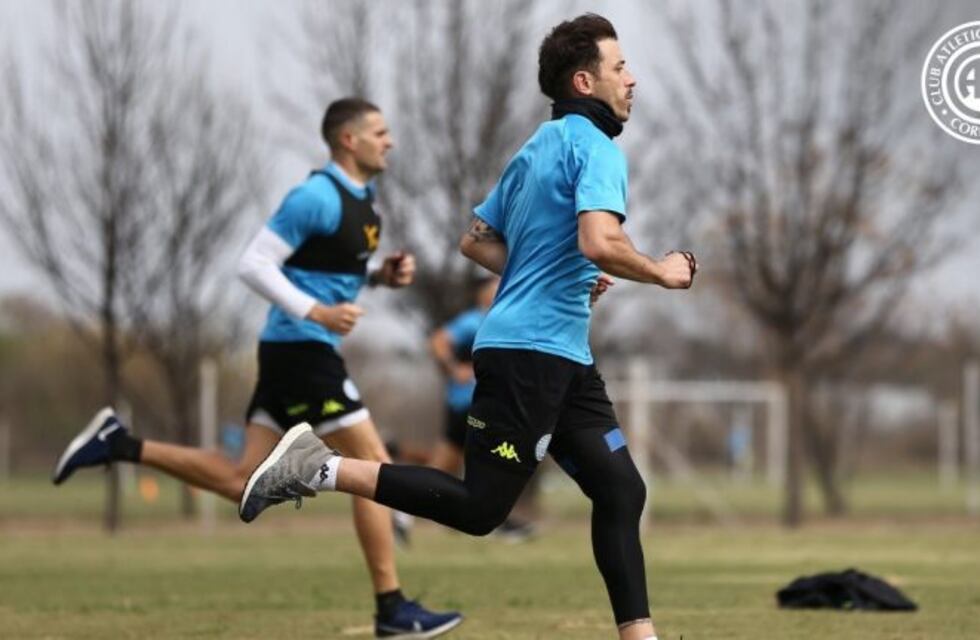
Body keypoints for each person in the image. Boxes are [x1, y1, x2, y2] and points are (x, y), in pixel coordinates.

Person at [239, 15, 696, 640]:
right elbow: (600, 239)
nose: (632, 79)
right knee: (482, 508)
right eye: (621, 68)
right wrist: (663, 271)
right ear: (585, 81)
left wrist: (552, 270)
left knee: (620, 490)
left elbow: (476, 242)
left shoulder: (536, 148)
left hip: (561, 352)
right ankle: (318, 467)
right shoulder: (596, 148)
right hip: (530, 355)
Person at [51, 98, 463, 639]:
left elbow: (328, 275)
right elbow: (252, 263)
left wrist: (381, 277)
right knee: (373, 464)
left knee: (240, 479)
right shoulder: (317, 195)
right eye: (380, 132)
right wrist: (313, 312)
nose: (390, 141)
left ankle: (119, 444)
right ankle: (392, 610)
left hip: (292, 351)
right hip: (301, 348)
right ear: (348, 140)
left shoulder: (366, 203)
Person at [391, 275, 537, 544]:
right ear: (482, 295)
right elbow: (437, 341)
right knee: (497, 461)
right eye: (493, 288)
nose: (499, 292)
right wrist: (453, 368)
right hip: (470, 405)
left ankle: (402, 515)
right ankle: (499, 522)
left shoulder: (507, 321)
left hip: (479, 405)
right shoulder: (474, 320)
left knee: (442, 467)